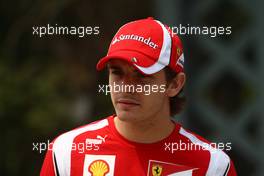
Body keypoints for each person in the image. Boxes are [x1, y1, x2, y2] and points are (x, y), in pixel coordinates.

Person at [40, 17, 237, 176]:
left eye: (142, 76)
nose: (125, 87)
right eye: (117, 72)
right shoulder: (67, 151)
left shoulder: (213, 166)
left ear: (175, 84)